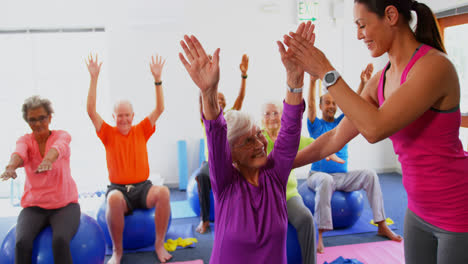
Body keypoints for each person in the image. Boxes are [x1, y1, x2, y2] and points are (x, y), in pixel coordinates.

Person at [287, 1, 468, 263]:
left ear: (391, 15)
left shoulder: (434, 67)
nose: (358, 34)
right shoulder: (380, 79)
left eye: (362, 25)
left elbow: (375, 128)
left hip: (457, 210)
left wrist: (325, 70)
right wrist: (280, 164)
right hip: (417, 211)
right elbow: (336, 136)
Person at [178, 23, 311, 263]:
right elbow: (216, 133)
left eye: (259, 134)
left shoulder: (275, 175)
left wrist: (295, 78)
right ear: (232, 154)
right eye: (248, 140)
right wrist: (209, 92)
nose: (260, 143)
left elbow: (290, 128)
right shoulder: (226, 183)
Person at [86, 54, 172, 263]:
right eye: (119, 115)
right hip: (119, 190)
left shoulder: (141, 129)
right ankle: (117, 251)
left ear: (133, 116)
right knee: (113, 199)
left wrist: (157, 79)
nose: (123, 119)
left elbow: (160, 108)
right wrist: (94, 78)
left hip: (143, 187)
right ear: (114, 117)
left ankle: (158, 245)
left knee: (163, 193)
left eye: (127, 115)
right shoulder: (107, 133)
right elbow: (90, 111)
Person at [306, 64, 400, 253]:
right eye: (327, 103)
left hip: (342, 177)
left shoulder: (342, 123)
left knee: (370, 174)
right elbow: (309, 105)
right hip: (318, 176)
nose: (331, 106)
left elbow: (355, 105)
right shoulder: (315, 125)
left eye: (334, 103)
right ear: (322, 105)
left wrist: (363, 83)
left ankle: (381, 224)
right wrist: (312, 81)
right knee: (325, 179)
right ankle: (320, 235)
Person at [1, 96, 80, 264]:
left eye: (42, 118)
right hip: (34, 207)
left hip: (65, 205)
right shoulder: (26, 140)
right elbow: (19, 153)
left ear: (50, 117)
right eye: (32, 120)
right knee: (22, 243)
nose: (37, 123)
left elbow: (58, 148)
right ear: (27, 122)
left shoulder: (62, 136)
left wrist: (47, 160)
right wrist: (11, 166)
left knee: (60, 241)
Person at [262, 100, 344, 264]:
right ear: (261, 118)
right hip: (263, 198)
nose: (272, 117)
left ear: (283, 116)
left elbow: (314, 144)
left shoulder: (290, 138)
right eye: (267, 113)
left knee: (306, 219)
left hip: (288, 195)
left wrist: (328, 152)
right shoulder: (257, 138)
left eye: (276, 113)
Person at [195, 54, 249, 234]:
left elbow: (240, 98)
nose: (219, 101)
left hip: (229, 162)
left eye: (222, 99)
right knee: (202, 176)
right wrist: (204, 78)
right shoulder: (207, 119)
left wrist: (243, 76)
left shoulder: (231, 116)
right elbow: (201, 99)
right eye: (215, 99)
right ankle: (205, 220)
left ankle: (240, 217)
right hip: (210, 164)